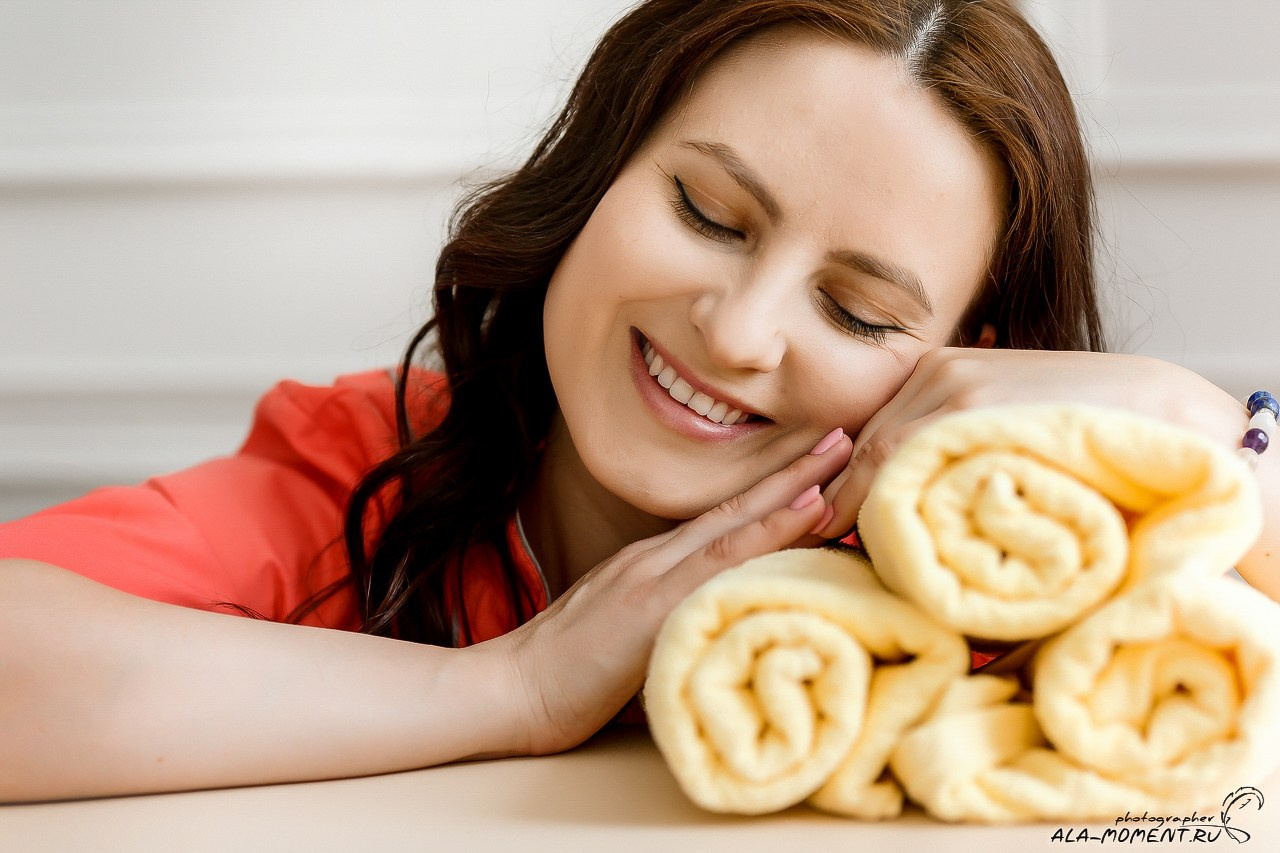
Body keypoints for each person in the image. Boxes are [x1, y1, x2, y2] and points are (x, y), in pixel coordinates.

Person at [1, 0, 1275, 802]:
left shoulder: (1010, 549)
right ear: (597, 176)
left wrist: (1188, 429)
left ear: (959, 361)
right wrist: (513, 691)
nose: (735, 329)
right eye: (706, 214)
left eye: (857, 313)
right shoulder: (372, 464)